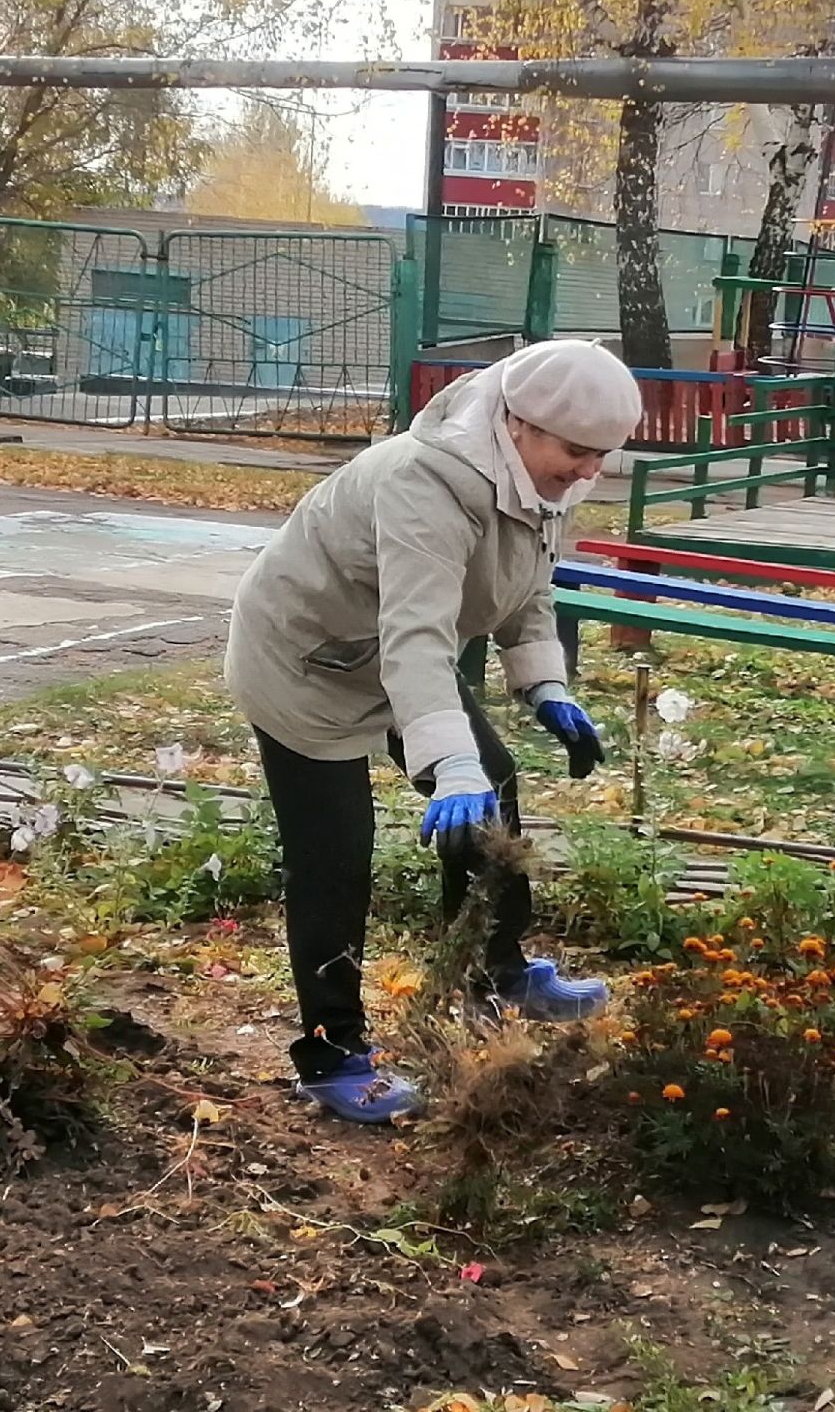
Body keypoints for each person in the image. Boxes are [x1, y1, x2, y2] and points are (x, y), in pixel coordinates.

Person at [226, 339, 642, 1124]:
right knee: (335, 860)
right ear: (519, 423)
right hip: (307, 662)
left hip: (388, 651)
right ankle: (332, 1053)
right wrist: (450, 766)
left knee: (496, 787)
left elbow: (527, 580)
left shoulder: (536, 470)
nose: (589, 471)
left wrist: (544, 681)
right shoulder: (428, 481)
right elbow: (417, 638)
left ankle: (497, 969)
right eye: (578, 454)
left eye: (601, 457)